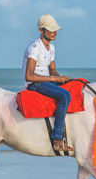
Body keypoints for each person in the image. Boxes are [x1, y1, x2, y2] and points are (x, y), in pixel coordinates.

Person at [22, 14, 73, 152]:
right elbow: (29, 76)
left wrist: (61, 78)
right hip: (35, 84)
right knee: (64, 96)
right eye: (50, 29)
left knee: (73, 87)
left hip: (46, 81)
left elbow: (53, 70)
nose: (54, 32)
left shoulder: (52, 48)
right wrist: (54, 79)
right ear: (41, 30)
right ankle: (57, 139)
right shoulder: (34, 47)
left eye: (55, 29)